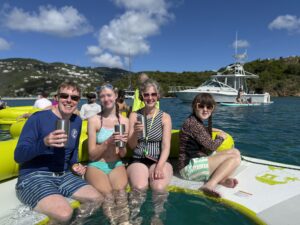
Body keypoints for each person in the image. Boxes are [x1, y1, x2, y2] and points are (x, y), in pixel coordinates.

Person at [14, 81, 103, 224]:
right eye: (64, 96)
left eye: (74, 98)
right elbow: (18, 156)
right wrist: (44, 143)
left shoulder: (76, 121)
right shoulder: (38, 118)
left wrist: (75, 166)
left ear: (78, 101)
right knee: (64, 213)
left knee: (97, 199)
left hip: (63, 175)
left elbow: (73, 153)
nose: (69, 100)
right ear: (56, 98)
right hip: (34, 176)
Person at [178, 93, 241, 198]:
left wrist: (211, 129)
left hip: (196, 160)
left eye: (209, 107)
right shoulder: (193, 124)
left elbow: (200, 132)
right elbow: (211, 146)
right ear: (194, 106)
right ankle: (210, 184)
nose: (205, 109)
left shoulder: (194, 121)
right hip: (188, 167)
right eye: (201, 106)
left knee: (235, 152)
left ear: (213, 109)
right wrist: (220, 137)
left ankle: (221, 179)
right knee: (235, 159)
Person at [127, 79, 173, 223]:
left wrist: (160, 166)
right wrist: (135, 132)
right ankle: (134, 217)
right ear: (142, 96)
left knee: (158, 188)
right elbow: (131, 145)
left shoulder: (165, 117)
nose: (150, 98)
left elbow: (166, 146)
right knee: (139, 187)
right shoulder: (134, 115)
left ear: (158, 95)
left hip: (158, 159)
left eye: (153, 94)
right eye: (146, 94)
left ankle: (157, 217)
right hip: (138, 158)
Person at [85, 84, 129, 224]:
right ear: (99, 99)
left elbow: (122, 154)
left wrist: (121, 147)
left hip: (116, 164)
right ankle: (113, 221)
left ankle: (125, 222)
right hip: (97, 165)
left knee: (121, 194)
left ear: (115, 96)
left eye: (109, 95)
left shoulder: (125, 121)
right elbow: (92, 155)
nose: (106, 98)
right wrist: (108, 141)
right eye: (102, 96)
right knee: (108, 196)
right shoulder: (94, 120)